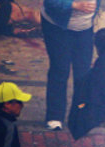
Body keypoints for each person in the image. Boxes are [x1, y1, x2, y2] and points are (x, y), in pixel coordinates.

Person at [41, 0, 100, 130]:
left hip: (85, 28)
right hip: (57, 27)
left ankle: (79, 115)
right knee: (60, 69)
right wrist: (74, 5)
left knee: (83, 73)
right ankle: (55, 116)